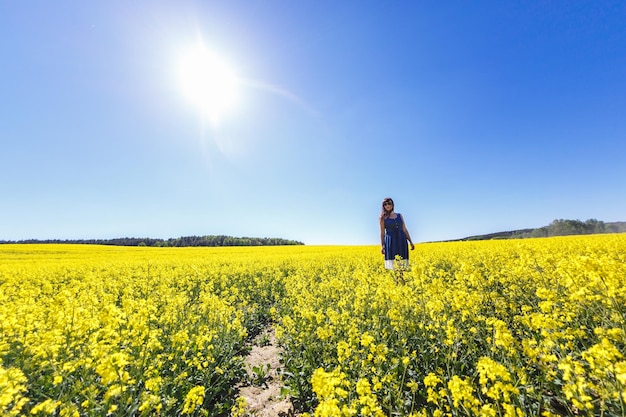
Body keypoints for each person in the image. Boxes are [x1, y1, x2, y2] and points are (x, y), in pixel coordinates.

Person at [379, 197, 414, 271]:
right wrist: (382, 246)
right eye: (385, 204)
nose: (387, 205)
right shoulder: (382, 218)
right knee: (395, 266)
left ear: (392, 204)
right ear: (383, 206)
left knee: (403, 264)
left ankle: (402, 281)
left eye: (389, 203)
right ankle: (397, 282)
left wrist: (410, 242)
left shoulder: (399, 215)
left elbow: (404, 229)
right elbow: (382, 233)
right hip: (391, 242)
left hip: (401, 240)